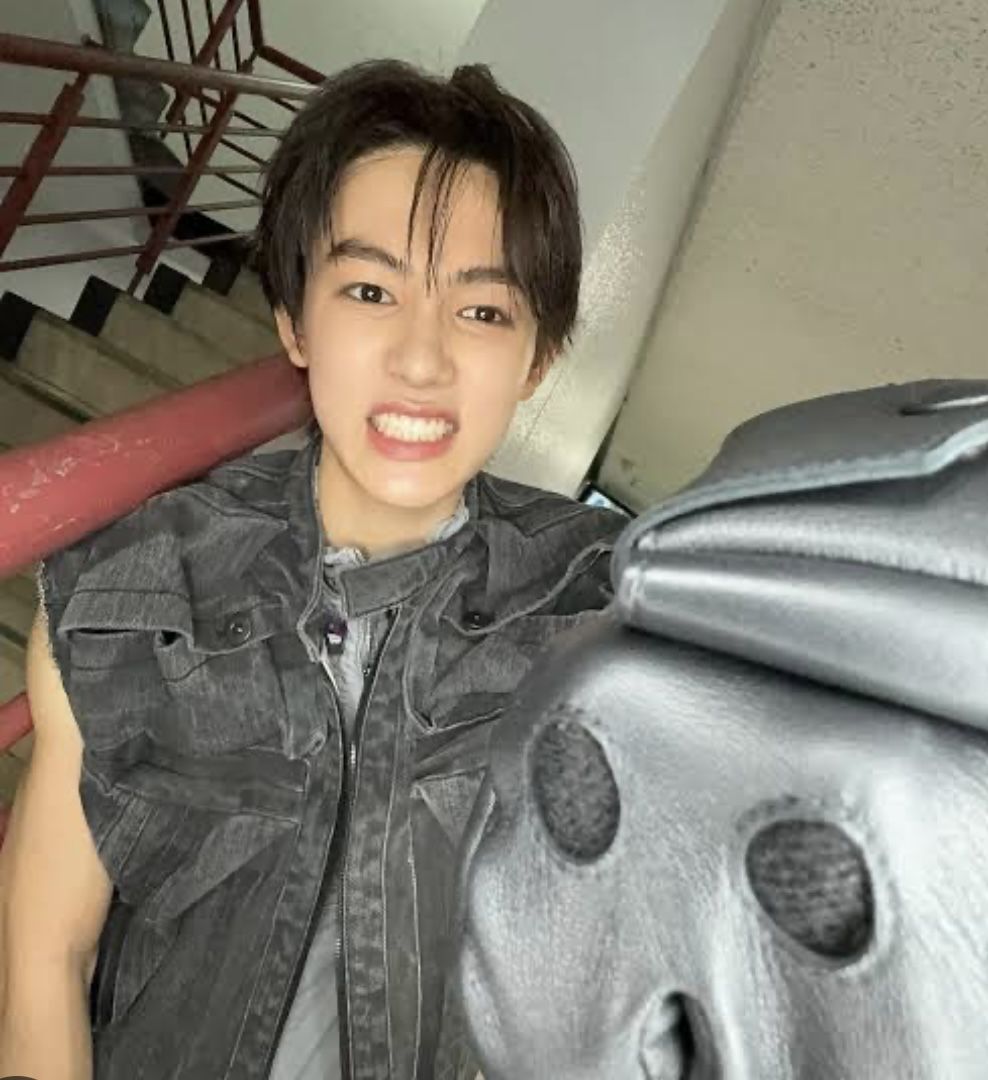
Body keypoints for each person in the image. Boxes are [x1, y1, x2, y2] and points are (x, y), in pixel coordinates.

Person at [0, 60, 624, 1079]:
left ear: (538, 358)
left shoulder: (598, 611)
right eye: (371, 291)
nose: (421, 360)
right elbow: (44, 960)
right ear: (295, 319)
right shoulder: (132, 593)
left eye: (481, 312)